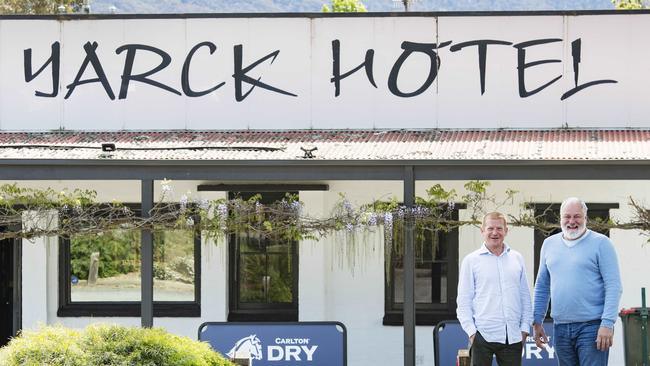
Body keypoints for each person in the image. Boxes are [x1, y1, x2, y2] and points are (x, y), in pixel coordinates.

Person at [533, 197, 622, 365]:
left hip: (593, 327)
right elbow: (542, 286)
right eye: (567, 216)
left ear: (585, 218)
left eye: (577, 216)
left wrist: (607, 323)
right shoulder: (548, 244)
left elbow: (614, 286)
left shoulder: (602, 243)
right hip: (560, 327)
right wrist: (537, 321)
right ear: (560, 219)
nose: (572, 221)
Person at [457, 212, 533, 366]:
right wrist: (472, 333)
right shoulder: (471, 261)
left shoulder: (517, 258)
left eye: (499, 228)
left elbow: (525, 296)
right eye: (490, 228)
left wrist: (525, 329)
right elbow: (464, 301)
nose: (495, 232)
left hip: (512, 337)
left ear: (506, 231)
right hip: (482, 337)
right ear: (482, 231)